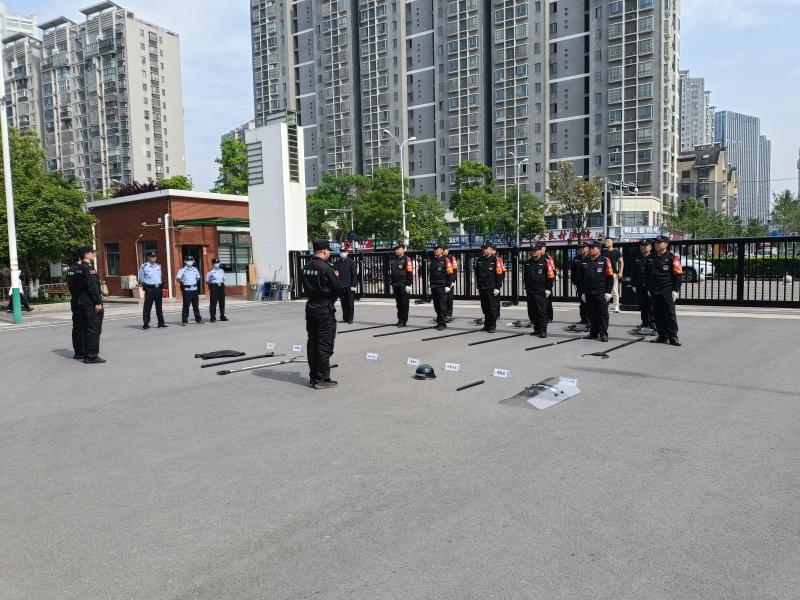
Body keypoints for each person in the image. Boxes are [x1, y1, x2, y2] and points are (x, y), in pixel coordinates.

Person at [302, 240, 345, 389]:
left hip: (311, 307)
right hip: (324, 309)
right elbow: (339, 288)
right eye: (329, 252)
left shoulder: (306, 267)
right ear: (325, 251)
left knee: (313, 343)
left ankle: (314, 377)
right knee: (324, 344)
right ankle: (321, 379)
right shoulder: (326, 268)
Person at [646, 235, 683, 346]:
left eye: (659, 242)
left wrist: (675, 289)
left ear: (666, 244)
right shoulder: (651, 257)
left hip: (667, 290)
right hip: (654, 290)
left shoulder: (672, 258)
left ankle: (673, 337)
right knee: (657, 314)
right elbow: (647, 275)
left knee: (670, 314)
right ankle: (662, 336)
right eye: (656, 243)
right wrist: (648, 288)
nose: (656, 244)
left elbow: (678, 274)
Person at [578, 240, 614, 342]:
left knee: (602, 314)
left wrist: (608, 292)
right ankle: (593, 333)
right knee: (591, 313)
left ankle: (603, 334)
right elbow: (581, 279)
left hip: (601, 292)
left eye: (593, 248)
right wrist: (582, 292)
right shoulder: (584, 261)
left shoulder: (605, 260)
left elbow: (610, 277)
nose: (591, 249)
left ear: (599, 249)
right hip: (588, 292)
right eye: (590, 248)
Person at [75, 246, 105, 363]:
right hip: (91, 303)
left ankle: (86, 353)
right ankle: (91, 356)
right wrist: (98, 302)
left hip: (83, 301)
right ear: (86, 254)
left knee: (87, 328)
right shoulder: (89, 268)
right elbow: (92, 287)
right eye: (91, 253)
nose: (93, 254)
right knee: (94, 328)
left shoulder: (79, 268)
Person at [524, 242, 556, 338]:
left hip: (541, 291)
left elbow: (551, 276)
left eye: (536, 250)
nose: (534, 252)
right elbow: (525, 276)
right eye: (532, 250)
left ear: (540, 251)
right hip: (530, 291)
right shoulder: (528, 262)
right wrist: (526, 288)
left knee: (542, 312)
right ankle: (537, 329)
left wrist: (548, 289)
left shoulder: (546, 262)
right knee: (532, 312)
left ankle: (543, 330)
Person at [475, 242, 505, 333]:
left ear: (492, 249)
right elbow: (477, 273)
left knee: (492, 307)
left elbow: (500, 275)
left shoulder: (496, 260)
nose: (484, 250)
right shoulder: (480, 260)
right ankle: (487, 325)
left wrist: (498, 287)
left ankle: (492, 326)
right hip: (482, 287)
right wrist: (478, 285)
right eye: (483, 248)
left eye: (486, 248)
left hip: (491, 287)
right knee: (484, 307)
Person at [138, 250, 167, 329]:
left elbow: (160, 276)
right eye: (152, 257)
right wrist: (146, 285)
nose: (154, 258)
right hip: (149, 289)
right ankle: (146, 324)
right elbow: (141, 279)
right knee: (147, 307)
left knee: (159, 307)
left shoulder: (158, 266)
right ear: (148, 257)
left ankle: (161, 323)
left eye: (155, 256)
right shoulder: (144, 266)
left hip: (158, 288)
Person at [630, 239, 655, 331]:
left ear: (650, 247)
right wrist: (633, 284)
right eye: (641, 245)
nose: (643, 247)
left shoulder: (654, 257)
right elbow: (633, 273)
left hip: (650, 286)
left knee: (651, 305)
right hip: (640, 285)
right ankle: (645, 322)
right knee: (642, 305)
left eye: (645, 245)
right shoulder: (637, 258)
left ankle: (653, 322)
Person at [429, 244, 454, 330]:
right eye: (435, 249)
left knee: (442, 306)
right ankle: (439, 322)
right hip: (434, 285)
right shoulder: (433, 261)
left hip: (442, 286)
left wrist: (448, 285)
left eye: (438, 249)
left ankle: (443, 323)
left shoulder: (446, 260)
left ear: (442, 250)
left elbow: (450, 273)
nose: (436, 250)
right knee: (436, 306)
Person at [66, 250, 84, 359]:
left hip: (74, 300)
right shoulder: (81, 269)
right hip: (82, 301)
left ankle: (78, 352)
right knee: (83, 326)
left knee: (76, 327)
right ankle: (83, 350)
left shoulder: (70, 270)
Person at [389, 243, 413, 327]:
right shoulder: (394, 259)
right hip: (396, 284)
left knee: (404, 303)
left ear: (403, 250)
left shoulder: (407, 259)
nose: (396, 250)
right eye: (395, 249)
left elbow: (410, 273)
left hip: (403, 285)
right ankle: (400, 319)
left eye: (398, 249)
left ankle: (403, 321)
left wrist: (408, 284)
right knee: (398, 304)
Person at [176, 255, 203, 326]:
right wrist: (183, 282)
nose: (190, 262)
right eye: (188, 260)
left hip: (194, 289)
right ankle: (184, 321)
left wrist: (193, 282)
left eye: (191, 260)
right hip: (187, 290)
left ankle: (198, 320)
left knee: (196, 306)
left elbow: (198, 278)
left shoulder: (195, 269)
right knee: (186, 306)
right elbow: (178, 279)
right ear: (185, 261)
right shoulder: (182, 270)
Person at [333, 249, 358, 324]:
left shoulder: (351, 262)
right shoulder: (337, 263)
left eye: (344, 252)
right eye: (341, 252)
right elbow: (335, 273)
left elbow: (354, 274)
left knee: (350, 303)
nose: (342, 253)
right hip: (341, 286)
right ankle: (345, 318)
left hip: (349, 286)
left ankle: (350, 319)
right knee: (343, 303)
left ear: (347, 253)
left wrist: (353, 285)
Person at [571, 242, 591, 330]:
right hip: (579, 284)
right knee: (582, 303)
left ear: (588, 248)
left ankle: (590, 321)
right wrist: (574, 282)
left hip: (589, 284)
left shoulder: (591, 257)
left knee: (589, 303)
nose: (581, 249)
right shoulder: (576, 258)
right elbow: (573, 272)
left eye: (583, 247)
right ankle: (583, 319)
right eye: (580, 248)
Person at [602, 236, 624, 313]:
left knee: (614, 291)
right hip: (604, 274)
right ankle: (605, 305)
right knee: (604, 290)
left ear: (612, 243)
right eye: (606, 241)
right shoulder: (603, 252)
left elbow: (621, 262)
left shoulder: (616, 252)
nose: (606, 242)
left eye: (608, 241)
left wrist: (620, 272)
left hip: (613, 273)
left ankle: (616, 306)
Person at [205, 258, 228, 323]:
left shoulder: (222, 271)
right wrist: (212, 285)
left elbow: (224, 279)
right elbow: (207, 280)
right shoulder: (210, 272)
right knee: (213, 303)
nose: (217, 264)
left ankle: (222, 316)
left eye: (218, 263)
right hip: (214, 287)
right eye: (215, 263)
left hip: (221, 286)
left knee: (222, 302)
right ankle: (213, 317)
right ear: (213, 264)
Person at [540, 241, 555, 323]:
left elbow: (552, 271)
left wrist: (549, 286)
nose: (540, 249)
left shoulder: (548, 258)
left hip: (547, 283)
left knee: (548, 302)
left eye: (541, 248)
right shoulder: (536, 257)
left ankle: (549, 317)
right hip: (539, 285)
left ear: (545, 249)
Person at [443, 245, 457, 322]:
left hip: (450, 281)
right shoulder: (441, 258)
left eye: (444, 250)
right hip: (443, 281)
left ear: (447, 250)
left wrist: (453, 281)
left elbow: (454, 270)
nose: (443, 251)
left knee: (449, 298)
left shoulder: (451, 258)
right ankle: (443, 314)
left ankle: (449, 314)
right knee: (443, 298)